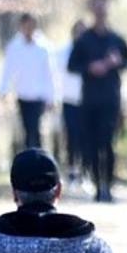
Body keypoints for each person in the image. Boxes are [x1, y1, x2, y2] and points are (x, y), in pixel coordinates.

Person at [67, 0, 127, 202]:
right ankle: (96, 184)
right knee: (92, 144)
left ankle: (108, 186)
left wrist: (116, 62)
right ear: (92, 11)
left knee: (108, 143)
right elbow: (72, 65)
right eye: (97, 9)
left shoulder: (117, 39)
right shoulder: (84, 40)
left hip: (110, 99)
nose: (100, 13)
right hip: (89, 100)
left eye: (103, 9)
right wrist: (89, 67)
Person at [0, 14, 56, 150]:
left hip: (38, 95)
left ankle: (38, 158)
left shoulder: (43, 47)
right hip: (23, 94)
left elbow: (50, 74)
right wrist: (4, 90)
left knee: (35, 128)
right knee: (26, 129)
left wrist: (51, 97)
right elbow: (7, 69)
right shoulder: (14, 46)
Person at [54, 21, 87, 184]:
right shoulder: (63, 52)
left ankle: (84, 169)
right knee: (71, 136)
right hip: (69, 100)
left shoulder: (90, 51)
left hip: (86, 101)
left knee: (85, 136)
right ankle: (71, 169)